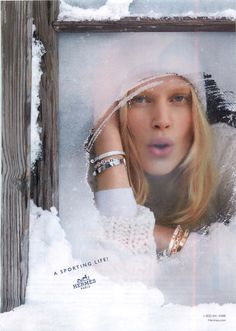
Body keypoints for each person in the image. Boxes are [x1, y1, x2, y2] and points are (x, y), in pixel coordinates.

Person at [86, 36, 236, 259]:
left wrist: (161, 238)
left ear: (196, 110)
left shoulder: (226, 149)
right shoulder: (84, 168)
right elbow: (112, 263)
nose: (162, 120)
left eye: (178, 98)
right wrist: (105, 129)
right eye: (140, 99)